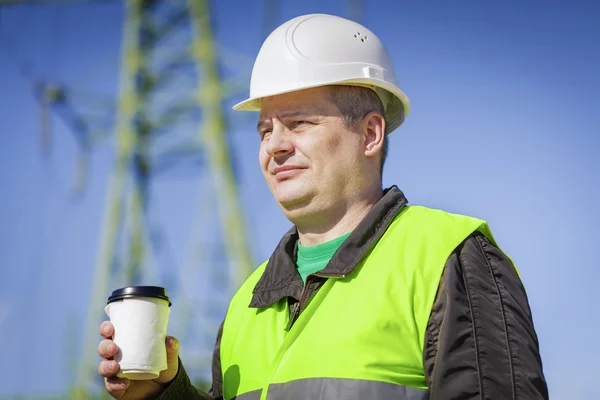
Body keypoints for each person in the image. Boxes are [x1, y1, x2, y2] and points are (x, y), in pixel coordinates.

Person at [97, 13, 548, 400]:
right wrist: (163, 392)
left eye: (298, 124)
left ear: (371, 134)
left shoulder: (447, 258)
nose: (274, 146)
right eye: (264, 130)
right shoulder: (246, 306)